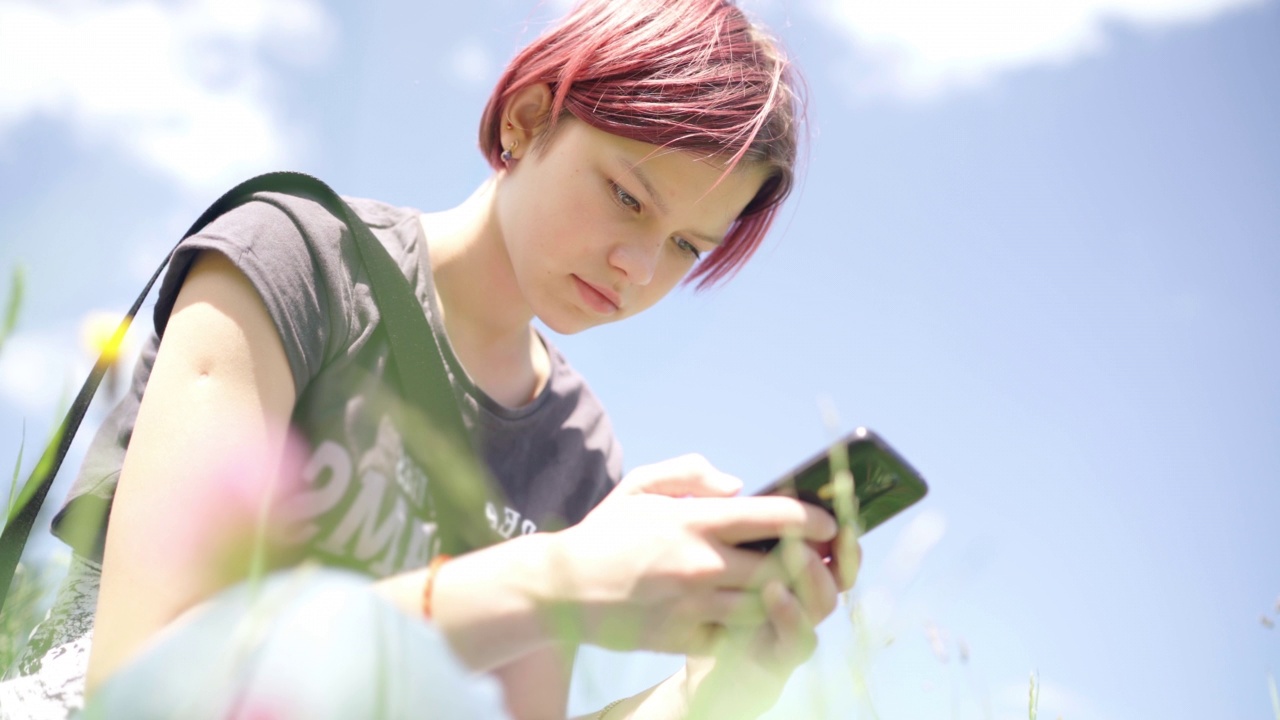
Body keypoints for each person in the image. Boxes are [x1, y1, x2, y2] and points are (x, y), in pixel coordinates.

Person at [0, 0, 859, 718]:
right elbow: (142, 684)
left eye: (684, 245)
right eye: (627, 196)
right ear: (528, 119)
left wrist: (710, 692)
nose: (638, 267)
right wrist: (555, 577)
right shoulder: (297, 260)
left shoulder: (577, 446)